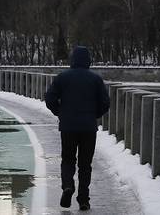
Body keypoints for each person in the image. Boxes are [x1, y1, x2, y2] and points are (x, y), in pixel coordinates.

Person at [45, 46, 110, 211]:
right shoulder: (96, 79)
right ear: (88, 60)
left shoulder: (62, 78)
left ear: (72, 60)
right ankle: (83, 199)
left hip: (68, 127)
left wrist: (60, 112)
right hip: (88, 128)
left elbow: (49, 97)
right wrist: (94, 115)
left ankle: (68, 186)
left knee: (68, 159)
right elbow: (105, 103)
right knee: (85, 164)